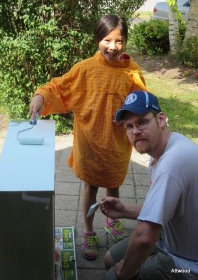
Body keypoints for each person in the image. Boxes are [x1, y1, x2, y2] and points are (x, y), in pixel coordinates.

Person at [29, 14, 147, 260]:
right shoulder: (84, 69)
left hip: (116, 145)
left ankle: (112, 220)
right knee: (91, 188)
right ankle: (89, 230)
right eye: (107, 40)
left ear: (125, 42)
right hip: (90, 144)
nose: (112, 47)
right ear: (98, 39)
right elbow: (59, 87)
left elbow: (143, 102)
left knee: (113, 185)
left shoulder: (131, 72)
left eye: (119, 41)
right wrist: (41, 96)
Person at [101, 90, 198, 279]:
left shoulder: (171, 164)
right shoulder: (162, 151)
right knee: (109, 259)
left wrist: (125, 273)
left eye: (142, 122)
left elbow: (145, 237)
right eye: (129, 126)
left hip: (187, 264)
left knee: (114, 276)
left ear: (161, 120)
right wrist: (123, 210)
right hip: (167, 241)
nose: (135, 131)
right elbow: (162, 210)